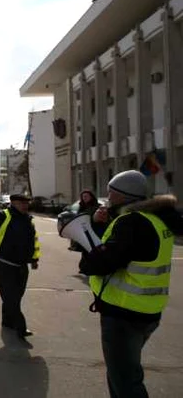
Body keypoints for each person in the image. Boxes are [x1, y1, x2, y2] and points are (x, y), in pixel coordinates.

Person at [79, 170, 183, 398]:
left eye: (111, 193)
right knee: (122, 374)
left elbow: (102, 262)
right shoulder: (156, 220)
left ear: (122, 196)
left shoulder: (130, 222)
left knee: (125, 381)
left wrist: (87, 245)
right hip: (148, 310)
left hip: (123, 313)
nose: (107, 197)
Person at [0, 194, 40, 339]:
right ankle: (21, 327)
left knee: (16, 295)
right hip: (3, 263)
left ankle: (7, 321)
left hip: (21, 264)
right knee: (11, 296)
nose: (25, 206)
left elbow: (33, 242)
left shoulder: (28, 220)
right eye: (21, 203)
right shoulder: (4, 216)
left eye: (26, 203)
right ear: (13, 203)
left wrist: (34, 259)